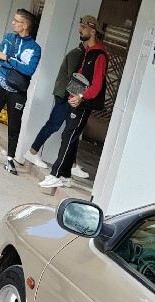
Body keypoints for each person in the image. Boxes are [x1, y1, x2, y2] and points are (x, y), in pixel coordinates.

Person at [39, 16, 108, 191]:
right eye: (80, 26)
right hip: (75, 100)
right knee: (70, 137)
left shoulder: (99, 54)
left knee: (68, 137)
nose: (80, 30)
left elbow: (97, 85)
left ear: (93, 31)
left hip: (83, 103)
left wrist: (82, 97)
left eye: (84, 27)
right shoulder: (87, 51)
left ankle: (55, 174)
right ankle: (66, 177)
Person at [0, 9, 41, 175]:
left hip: (18, 91)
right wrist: (10, 62)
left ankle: (10, 160)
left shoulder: (35, 48)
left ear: (25, 25)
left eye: (16, 21)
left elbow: (29, 70)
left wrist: (8, 59)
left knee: (14, 127)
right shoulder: (9, 38)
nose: (13, 23)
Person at [24, 39, 88, 178]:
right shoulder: (76, 54)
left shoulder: (81, 54)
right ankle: (32, 152)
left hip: (68, 95)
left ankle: (72, 164)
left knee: (72, 129)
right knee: (54, 125)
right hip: (65, 95)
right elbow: (75, 78)